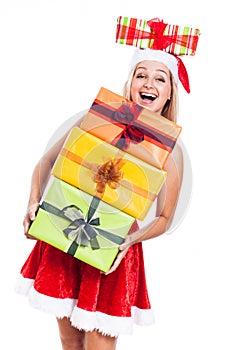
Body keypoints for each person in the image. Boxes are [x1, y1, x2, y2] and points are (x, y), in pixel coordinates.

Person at [15, 17, 200, 350]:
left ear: (170, 92)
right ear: (130, 82)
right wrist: (32, 202)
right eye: (141, 74)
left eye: (160, 78)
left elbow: (163, 217)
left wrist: (128, 241)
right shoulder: (100, 118)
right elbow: (46, 161)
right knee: (70, 342)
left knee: (98, 345)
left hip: (115, 249)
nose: (149, 83)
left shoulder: (171, 152)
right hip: (66, 227)